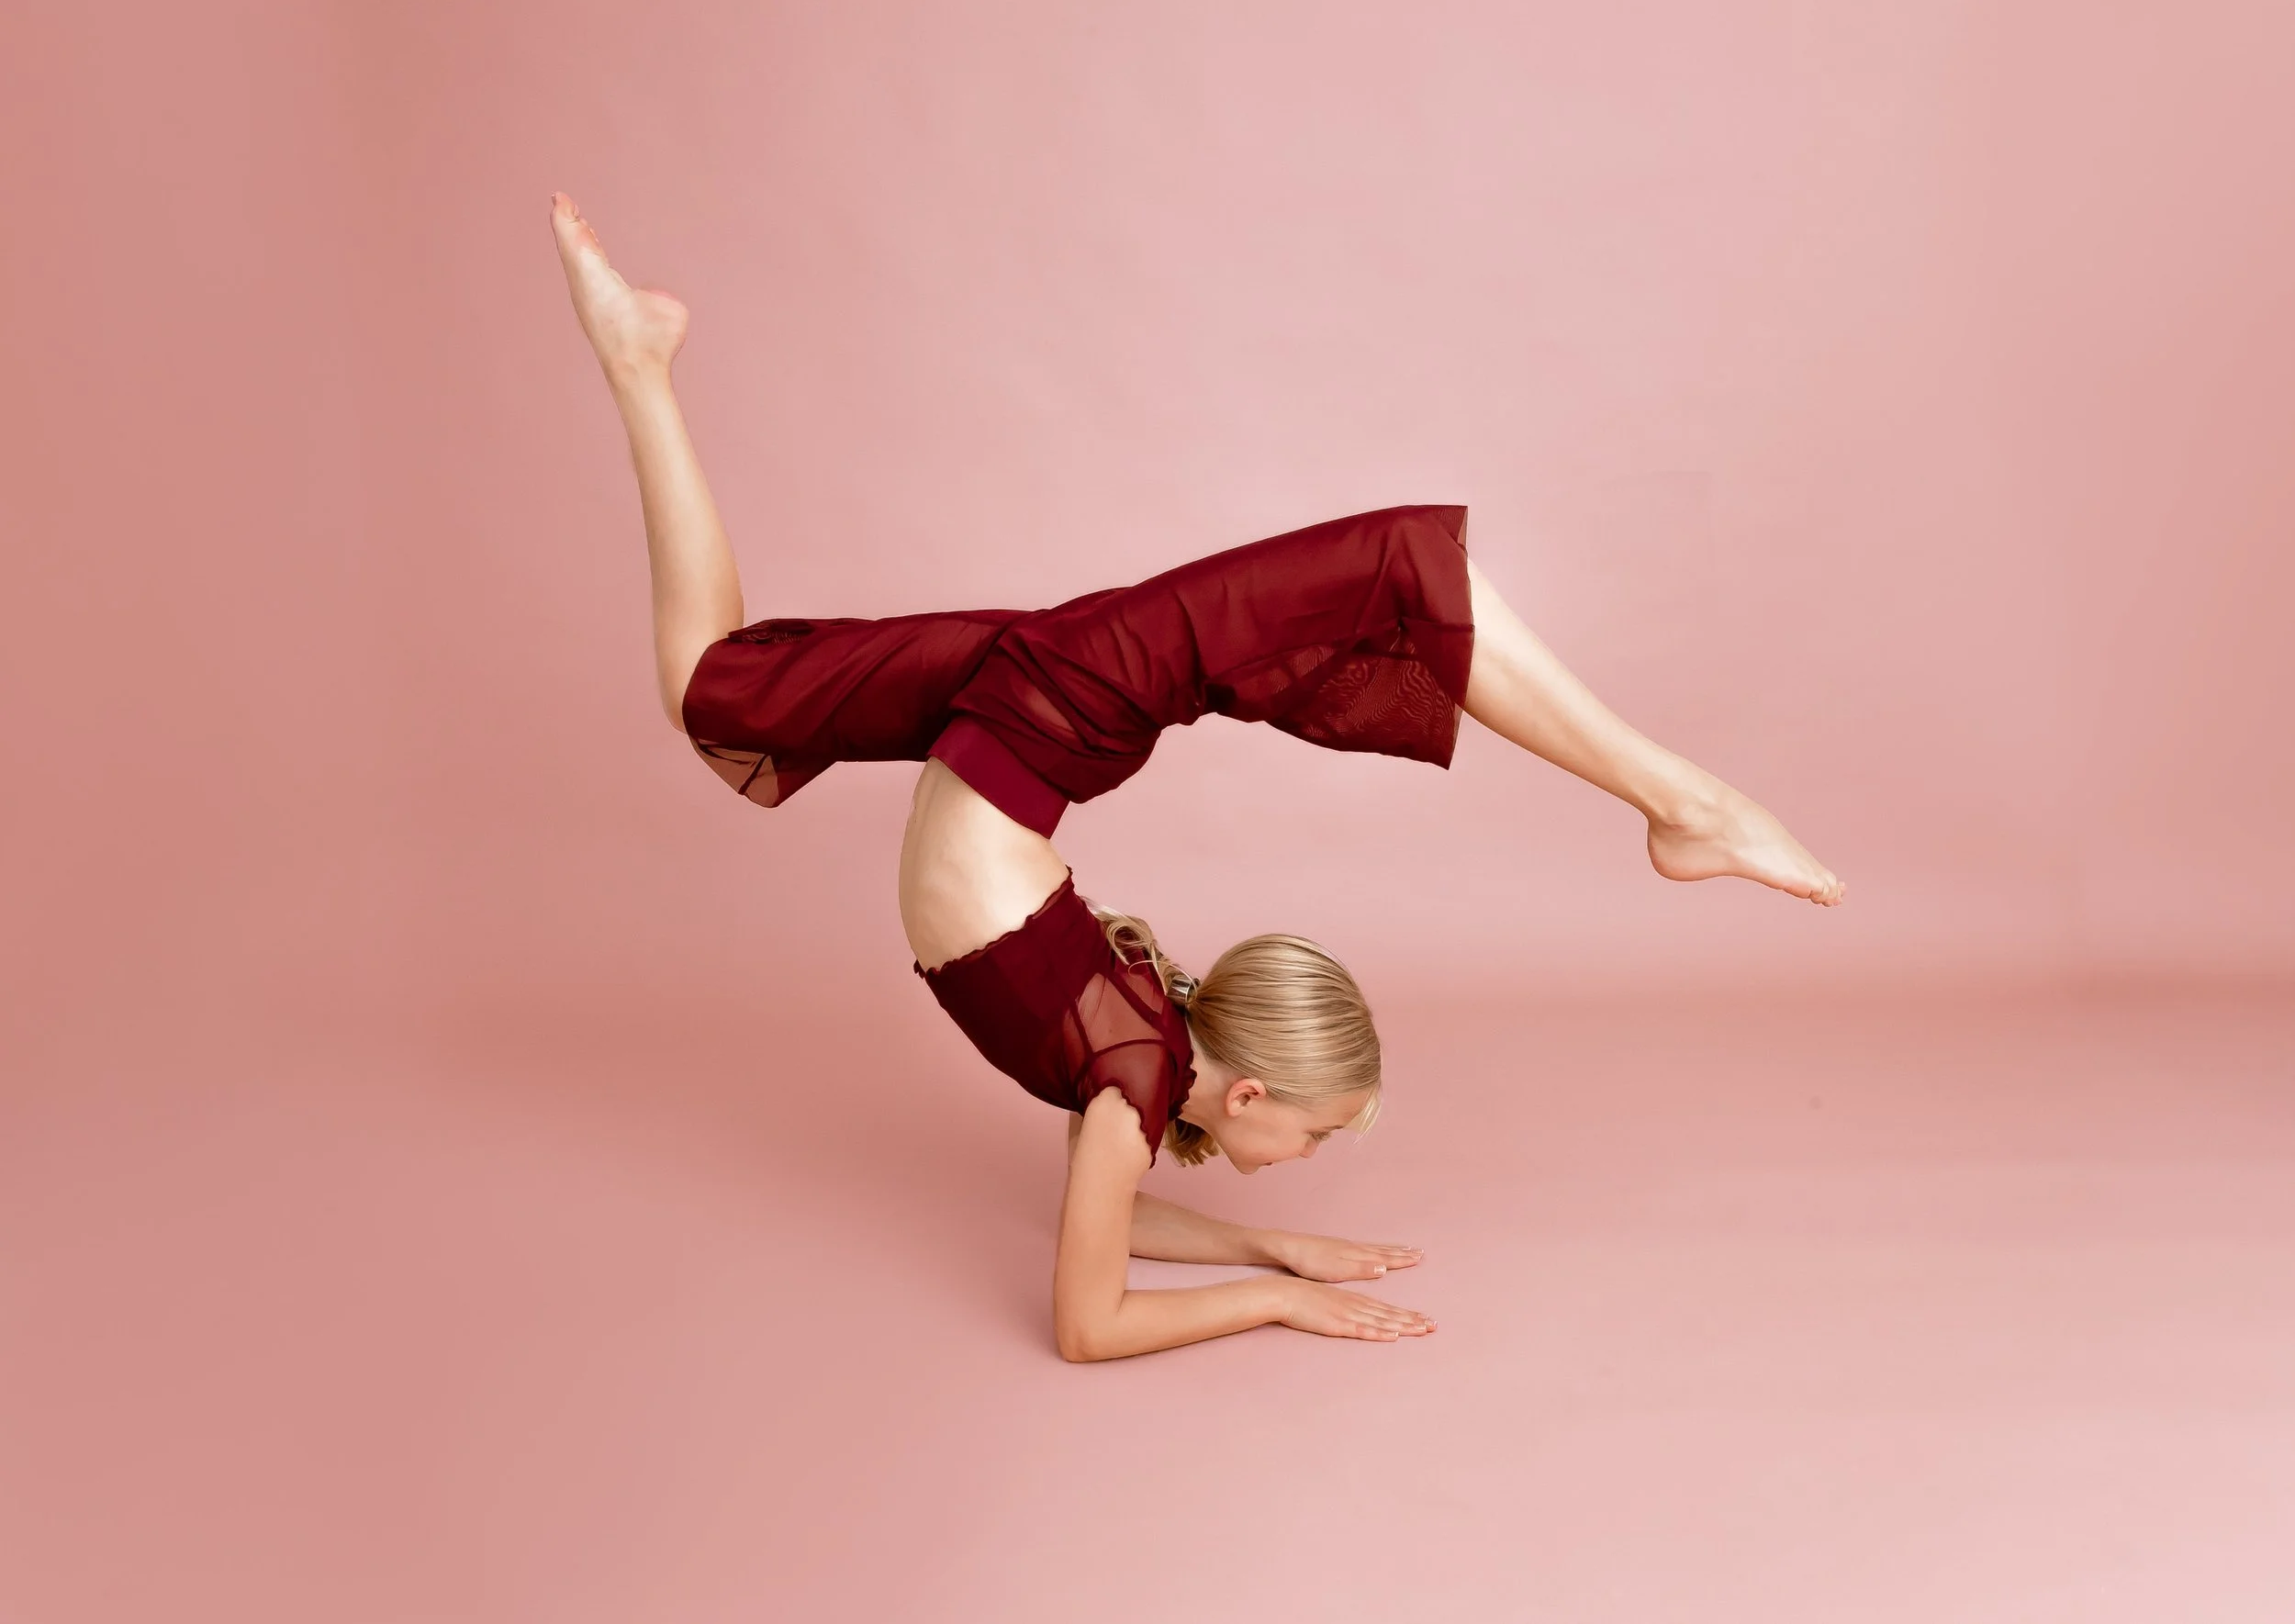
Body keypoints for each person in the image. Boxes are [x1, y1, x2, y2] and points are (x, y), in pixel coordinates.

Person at [549, 194, 1845, 1362]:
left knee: (715, 688)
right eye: (1317, 1135)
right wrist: (1275, 1299)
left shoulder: (1142, 1073)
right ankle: (1686, 804)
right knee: (1398, 565)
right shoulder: (1134, 1074)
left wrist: (1270, 1250)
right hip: (1035, 724)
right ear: (1249, 1094)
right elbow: (1093, 1321)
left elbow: (1105, 1239)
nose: (1306, 1159)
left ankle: (638, 363)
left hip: (1009, 718)